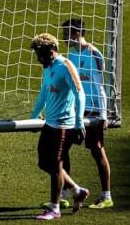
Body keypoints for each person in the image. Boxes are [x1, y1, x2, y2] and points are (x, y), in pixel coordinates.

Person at [30, 33, 89, 220]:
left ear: (51, 51)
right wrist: (33, 115)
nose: (38, 59)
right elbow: (43, 94)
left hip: (64, 125)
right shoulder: (48, 68)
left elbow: (79, 94)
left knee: (56, 166)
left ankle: (55, 209)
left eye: (40, 54)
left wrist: (79, 122)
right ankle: (76, 190)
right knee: (44, 162)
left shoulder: (65, 66)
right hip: (50, 124)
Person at [61, 19, 113, 209]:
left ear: (76, 34)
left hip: (93, 111)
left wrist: (103, 115)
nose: (63, 38)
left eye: (66, 34)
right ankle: (64, 195)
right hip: (75, 110)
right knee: (62, 148)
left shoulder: (94, 54)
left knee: (97, 151)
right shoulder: (71, 55)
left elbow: (100, 87)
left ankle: (106, 196)